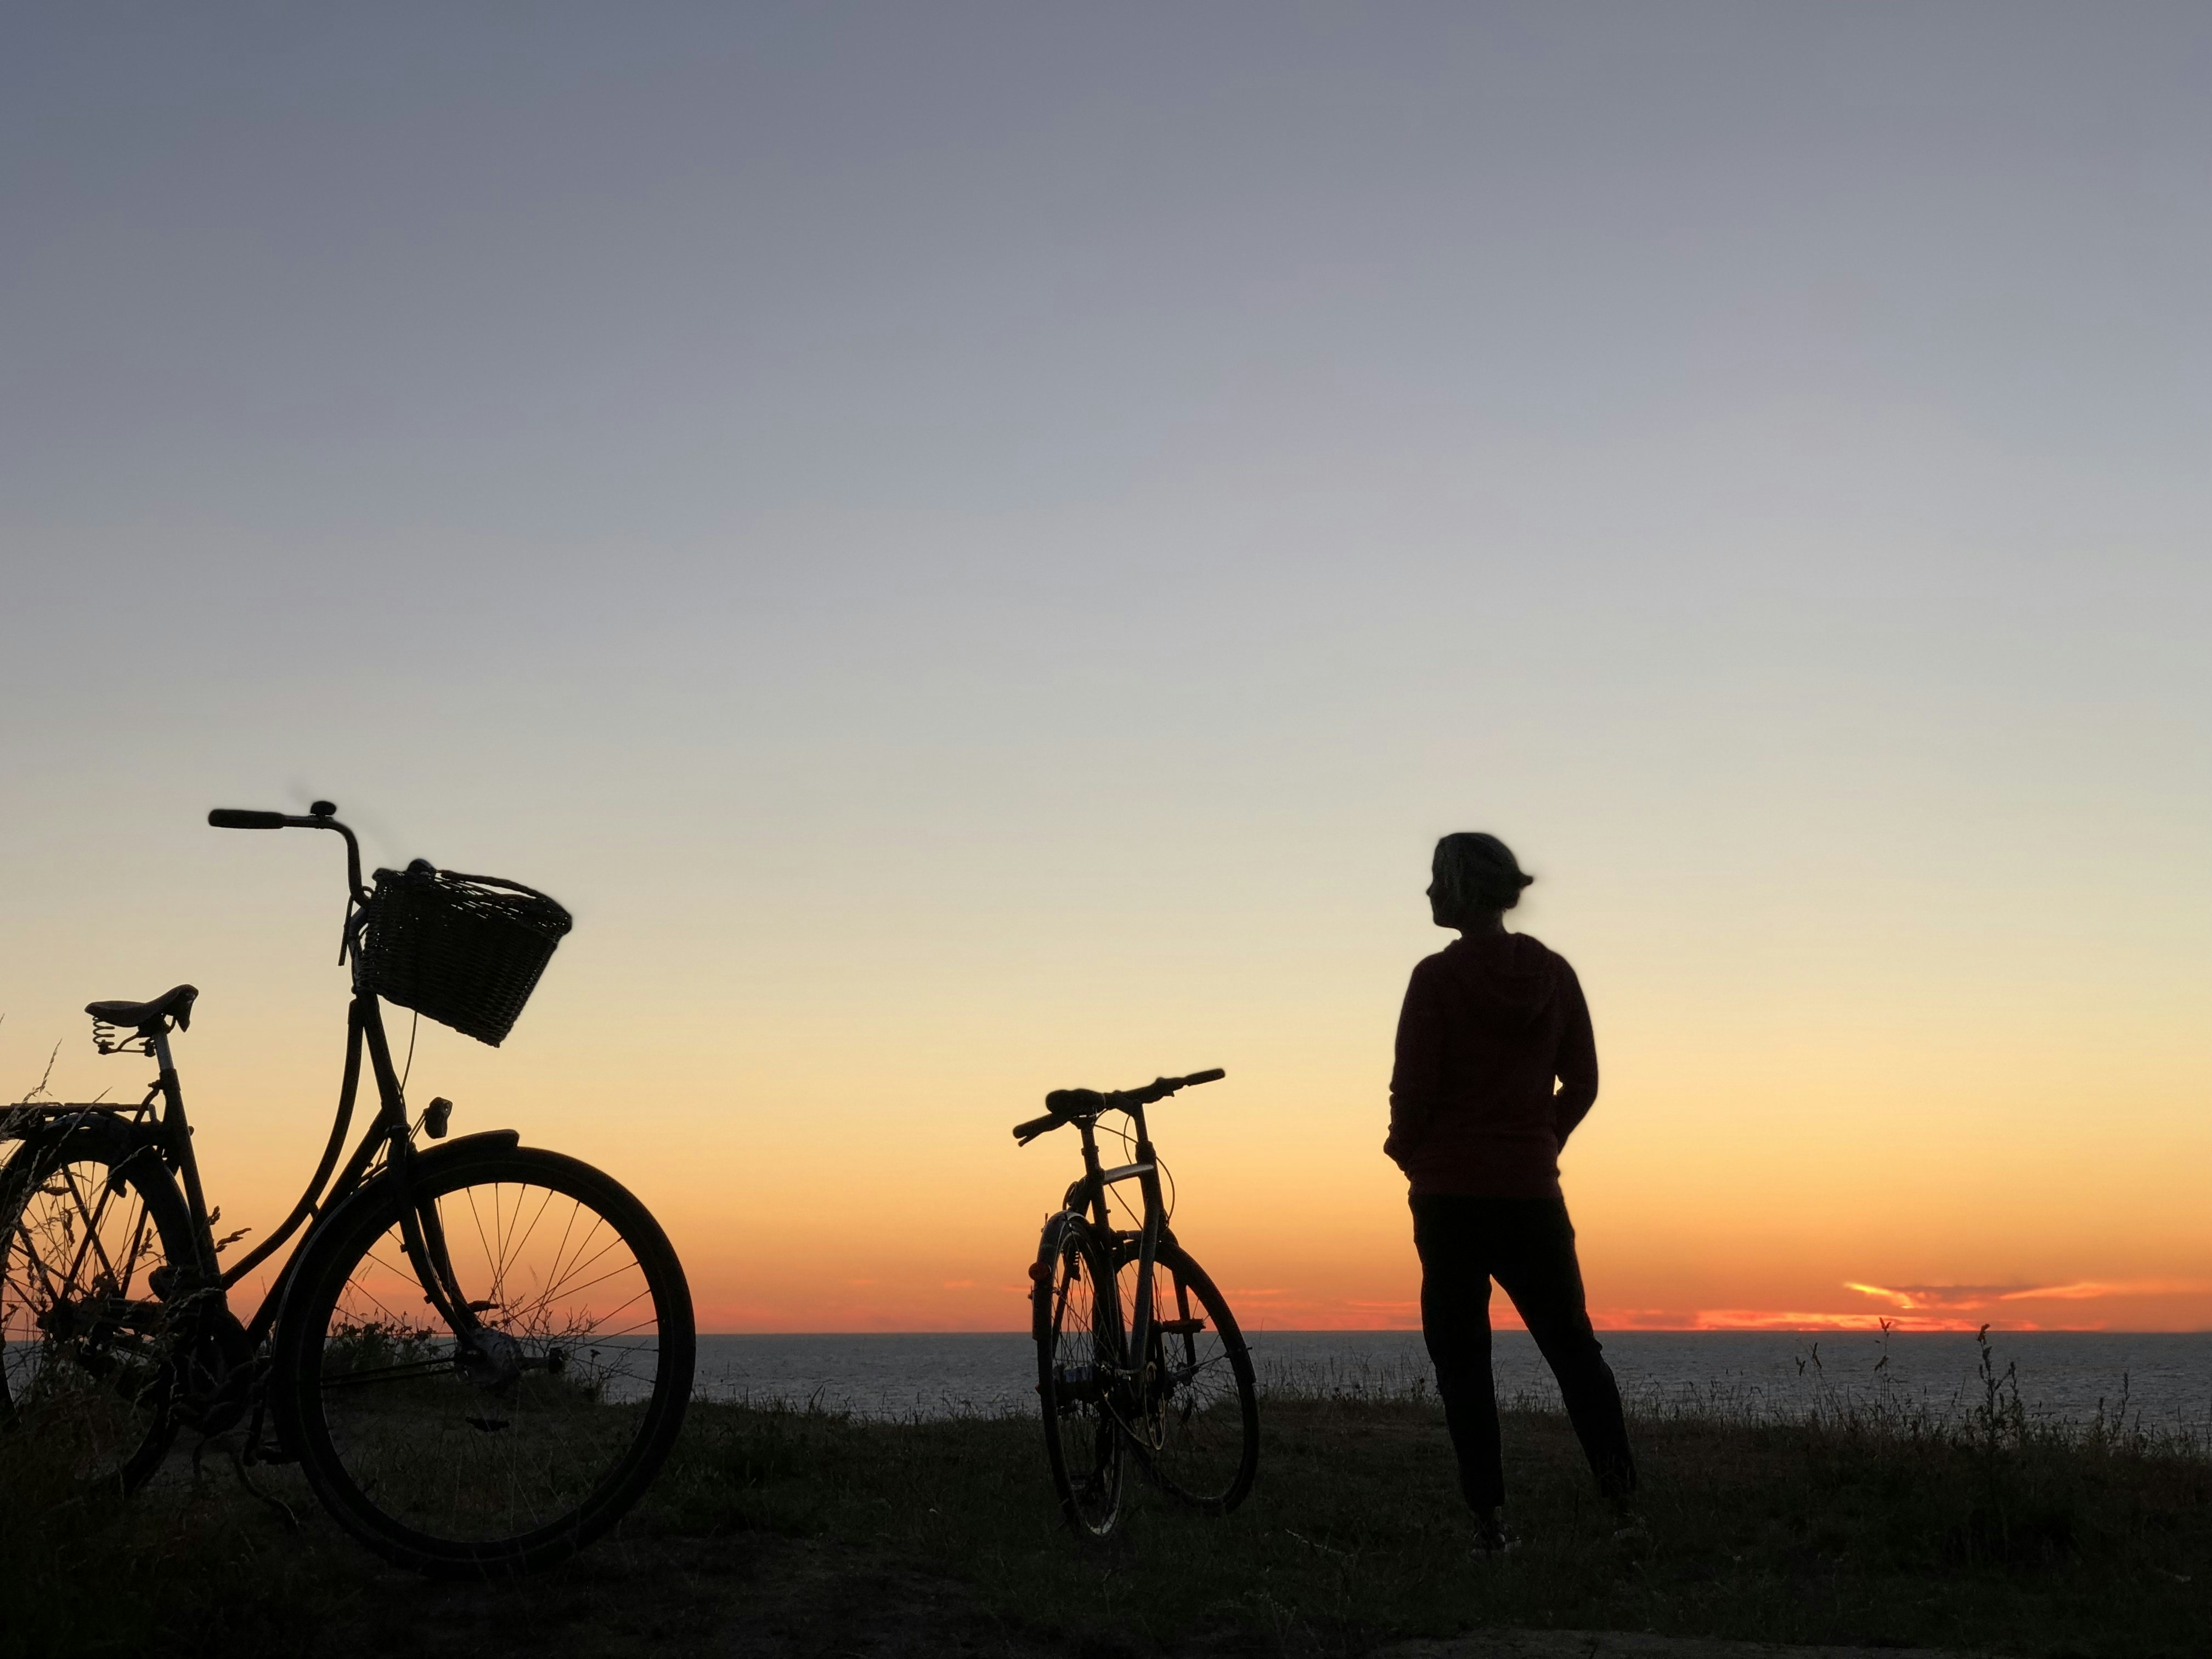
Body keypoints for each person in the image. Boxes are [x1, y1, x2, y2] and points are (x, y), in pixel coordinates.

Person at [1385, 831, 1637, 1554]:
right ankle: (1623, 1508)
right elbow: (1582, 1081)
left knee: (1463, 1359)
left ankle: (1491, 1524)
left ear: (1462, 889)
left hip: (1450, 1198)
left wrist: (1412, 1154)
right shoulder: (1553, 974)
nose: (1430, 894)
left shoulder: (1436, 979)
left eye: (1437, 880)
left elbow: (1414, 1088)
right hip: (1531, 1194)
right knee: (1573, 1350)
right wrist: (1541, 1142)